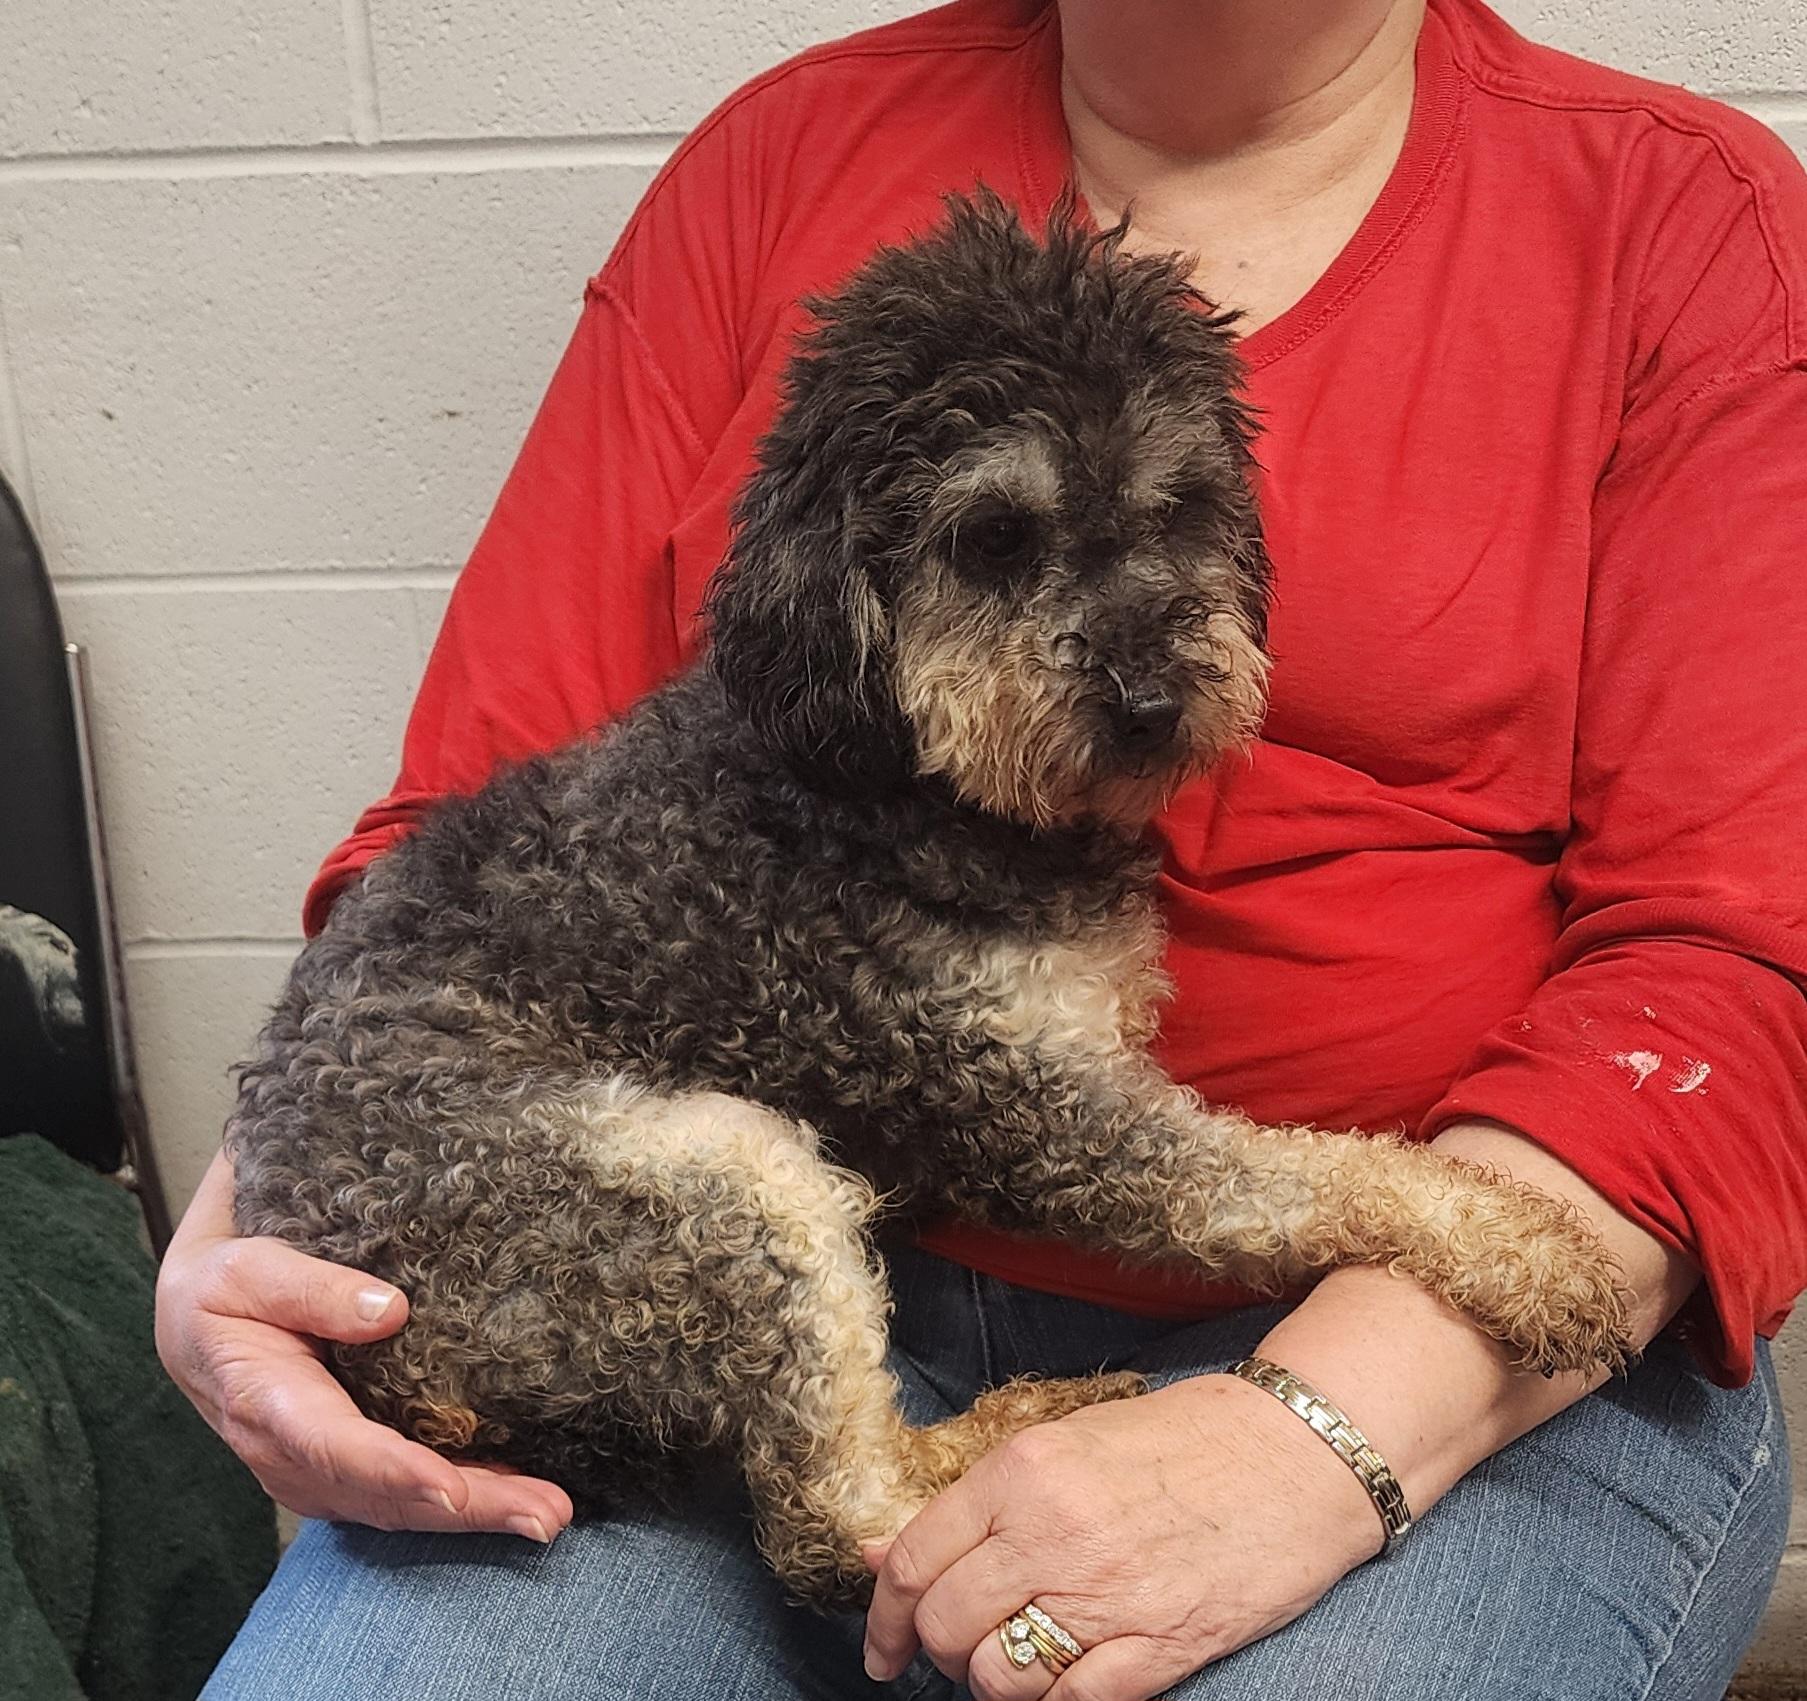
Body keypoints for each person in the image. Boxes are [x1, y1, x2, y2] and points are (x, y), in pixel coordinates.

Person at [158, 0, 1807, 1695]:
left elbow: (1743, 961)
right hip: (753, 1297)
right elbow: (456, 833)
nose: (1143, 670)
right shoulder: (774, 165)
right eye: (997, 553)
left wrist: (1322, 1428)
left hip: (1459, 1338)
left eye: (1179, 523)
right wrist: (246, 1230)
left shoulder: (1679, 219)